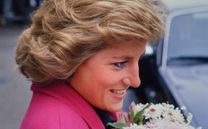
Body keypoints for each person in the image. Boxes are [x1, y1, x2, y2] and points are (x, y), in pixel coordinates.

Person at [15, 0, 164, 128]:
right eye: (120, 64)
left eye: (138, 59)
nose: (136, 81)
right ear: (68, 57)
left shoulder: (88, 98)